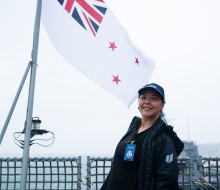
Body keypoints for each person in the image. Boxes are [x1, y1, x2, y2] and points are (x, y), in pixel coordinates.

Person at [100, 83, 184, 190]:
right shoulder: (133, 129)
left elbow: (166, 182)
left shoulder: (163, 140)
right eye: (143, 97)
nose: (147, 102)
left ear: (162, 105)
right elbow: (116, 169)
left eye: (153, 98)